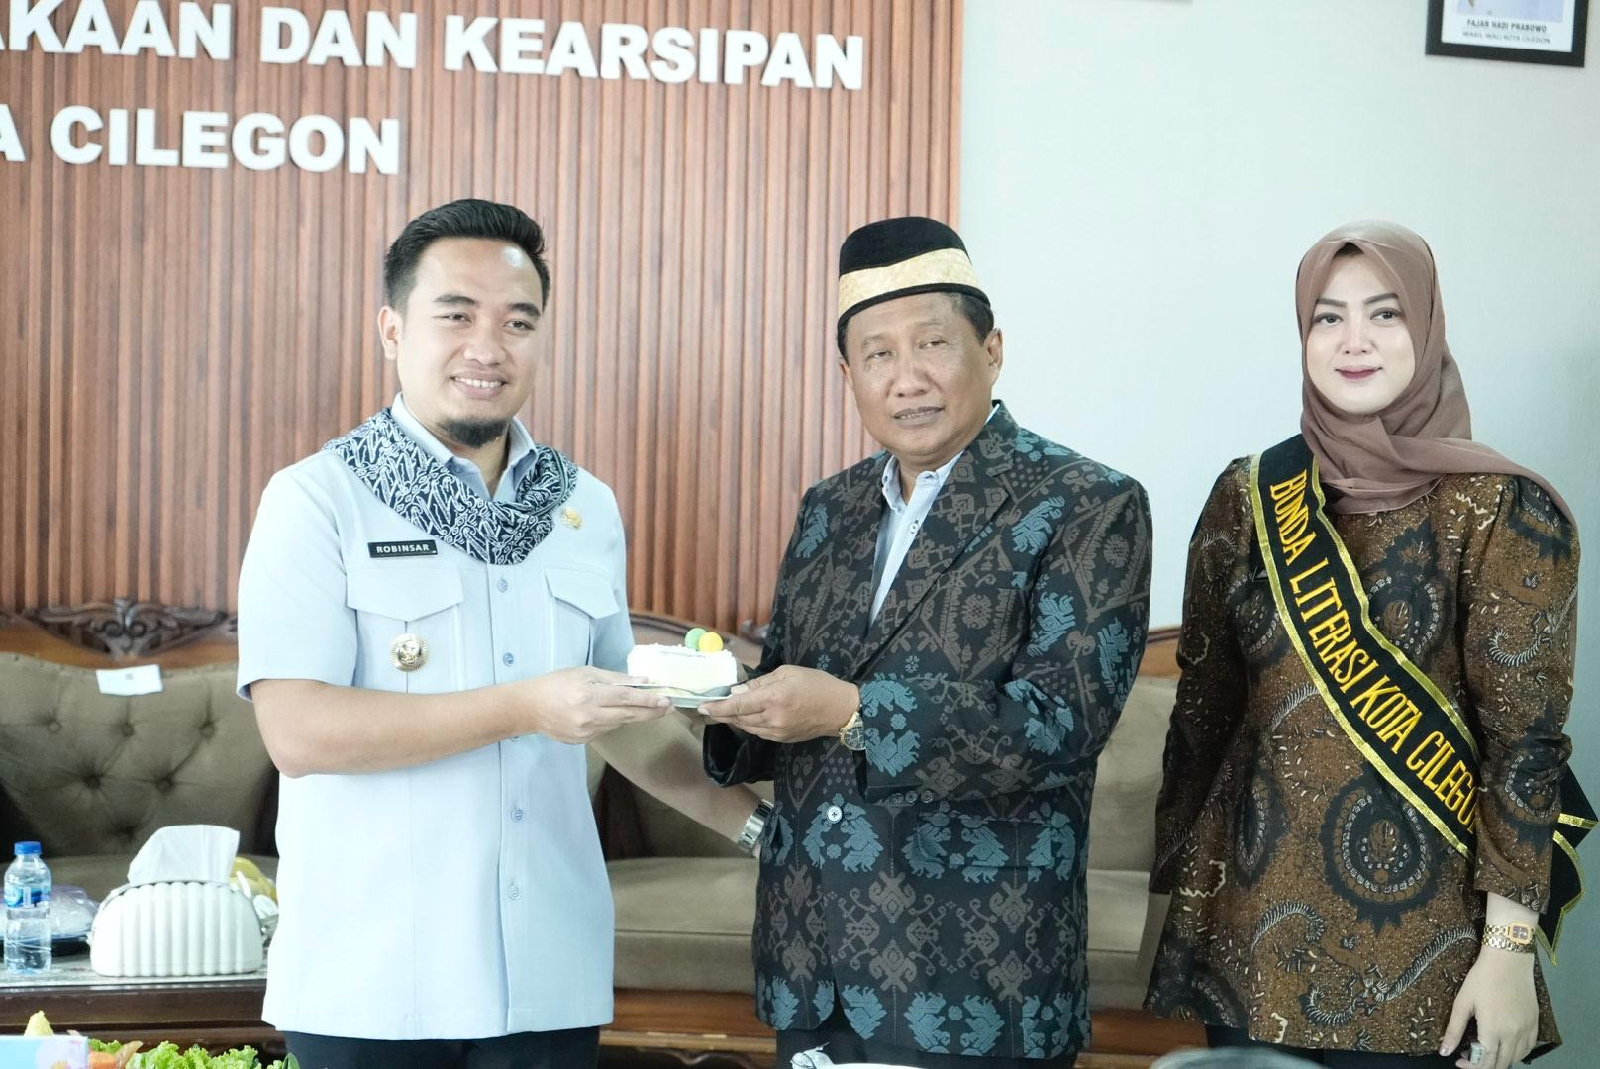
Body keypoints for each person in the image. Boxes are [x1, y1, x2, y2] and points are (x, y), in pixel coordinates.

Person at [236, 198, 765, 1069]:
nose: (489, 347)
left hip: (545, 971)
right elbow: (298, 729)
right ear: (392, 329)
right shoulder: (317, 499)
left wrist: (762, 832)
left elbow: (621, 719)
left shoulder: (582, 506)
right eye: (456, 315)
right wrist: (526, 705)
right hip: (373, 979)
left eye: (518, 322)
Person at [701, 216, 1153, 1068]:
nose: (906, 378)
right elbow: (793, 692)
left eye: (933, 344)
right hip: (812, 961)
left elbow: (1061, 723)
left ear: (993, 349)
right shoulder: (828, 507)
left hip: (973, 976)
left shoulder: (1087, 502)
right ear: (848, 375)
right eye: (877, 354)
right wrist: (719, 701)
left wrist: (853, 711)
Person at [1146, 221, 1589, 1069]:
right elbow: (1203, 713)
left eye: (1385, 314)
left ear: (1426, 328)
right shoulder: (1249, 493)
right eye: (1328, 316)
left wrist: (1507, 954)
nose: (1354, 340)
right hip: (1249, 946)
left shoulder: (1502, 505)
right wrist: (1170, 897)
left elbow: (1524, 748)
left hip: (1431, 955)